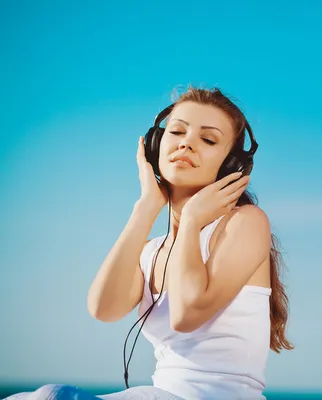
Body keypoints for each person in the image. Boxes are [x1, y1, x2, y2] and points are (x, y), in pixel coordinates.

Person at [5, 86, 293, 400]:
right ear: (156, 145)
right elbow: (104, 308)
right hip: (162, 394)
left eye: (208, 139)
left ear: (231, 166)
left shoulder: (246, 222)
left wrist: (193, 220)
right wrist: (145, 207)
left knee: (54, 396)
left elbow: (186, 315)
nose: (186, 143)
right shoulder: (152, 251)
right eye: (177, 131)